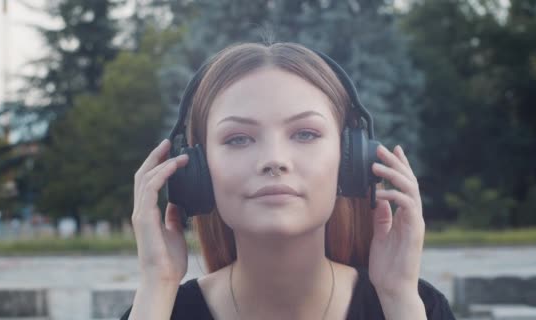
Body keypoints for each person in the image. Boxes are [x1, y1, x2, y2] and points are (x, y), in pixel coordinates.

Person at [121, 42, 456, 320]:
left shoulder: (415, 307)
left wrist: (398, 299)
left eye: (306, 133)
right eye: (238, 139)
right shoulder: (158, 311)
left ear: (351, 160)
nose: (275, 160)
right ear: (197, 170)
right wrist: (157, 284)